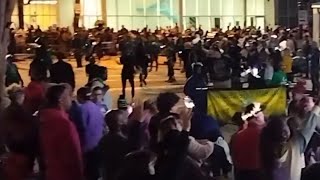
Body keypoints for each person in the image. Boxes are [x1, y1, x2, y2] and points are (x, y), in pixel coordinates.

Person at [260, 105, 320, 180]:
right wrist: (317, 105)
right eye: (286, 125)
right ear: (284, 133)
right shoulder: (294, 146)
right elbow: (309, 125)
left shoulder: (266, 149)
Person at [39, 84, 84, 180]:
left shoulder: (43, 119)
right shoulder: (64, 124)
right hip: (65, 174)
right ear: (60, 99)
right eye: (68, 96)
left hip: (50, 172)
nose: (71, 99)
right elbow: (73, 154)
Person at [0, 85, 38, 180]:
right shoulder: (20, 111)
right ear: (20, 97)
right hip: (19, 149)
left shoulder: (7, 111)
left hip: (10, 148)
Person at [231, 103, 266, 180]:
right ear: (257, 118)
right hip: (260, 173)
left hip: (241, 174)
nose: (264, 117)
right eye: (262, 115)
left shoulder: (236, 136)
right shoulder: (264, 135)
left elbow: (234, 159)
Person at [77, 87, 105, 180]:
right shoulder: (96, 107)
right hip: (98, 144)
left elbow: (82, 128)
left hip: (88, 147)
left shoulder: (82, 109)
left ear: (79, 97)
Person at [99, 110, 133, 180]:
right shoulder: (123, 142)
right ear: (120, 123)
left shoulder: (103, 139)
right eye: (125, 119)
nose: (127, 120)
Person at [119, 34, 136, 99]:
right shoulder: (132, 55)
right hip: (130, 70)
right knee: (132, 85)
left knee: (124, 85)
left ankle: (123, 96)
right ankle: (133, 97)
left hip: (125, 70)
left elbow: (121, 61)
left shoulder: (124, 54)